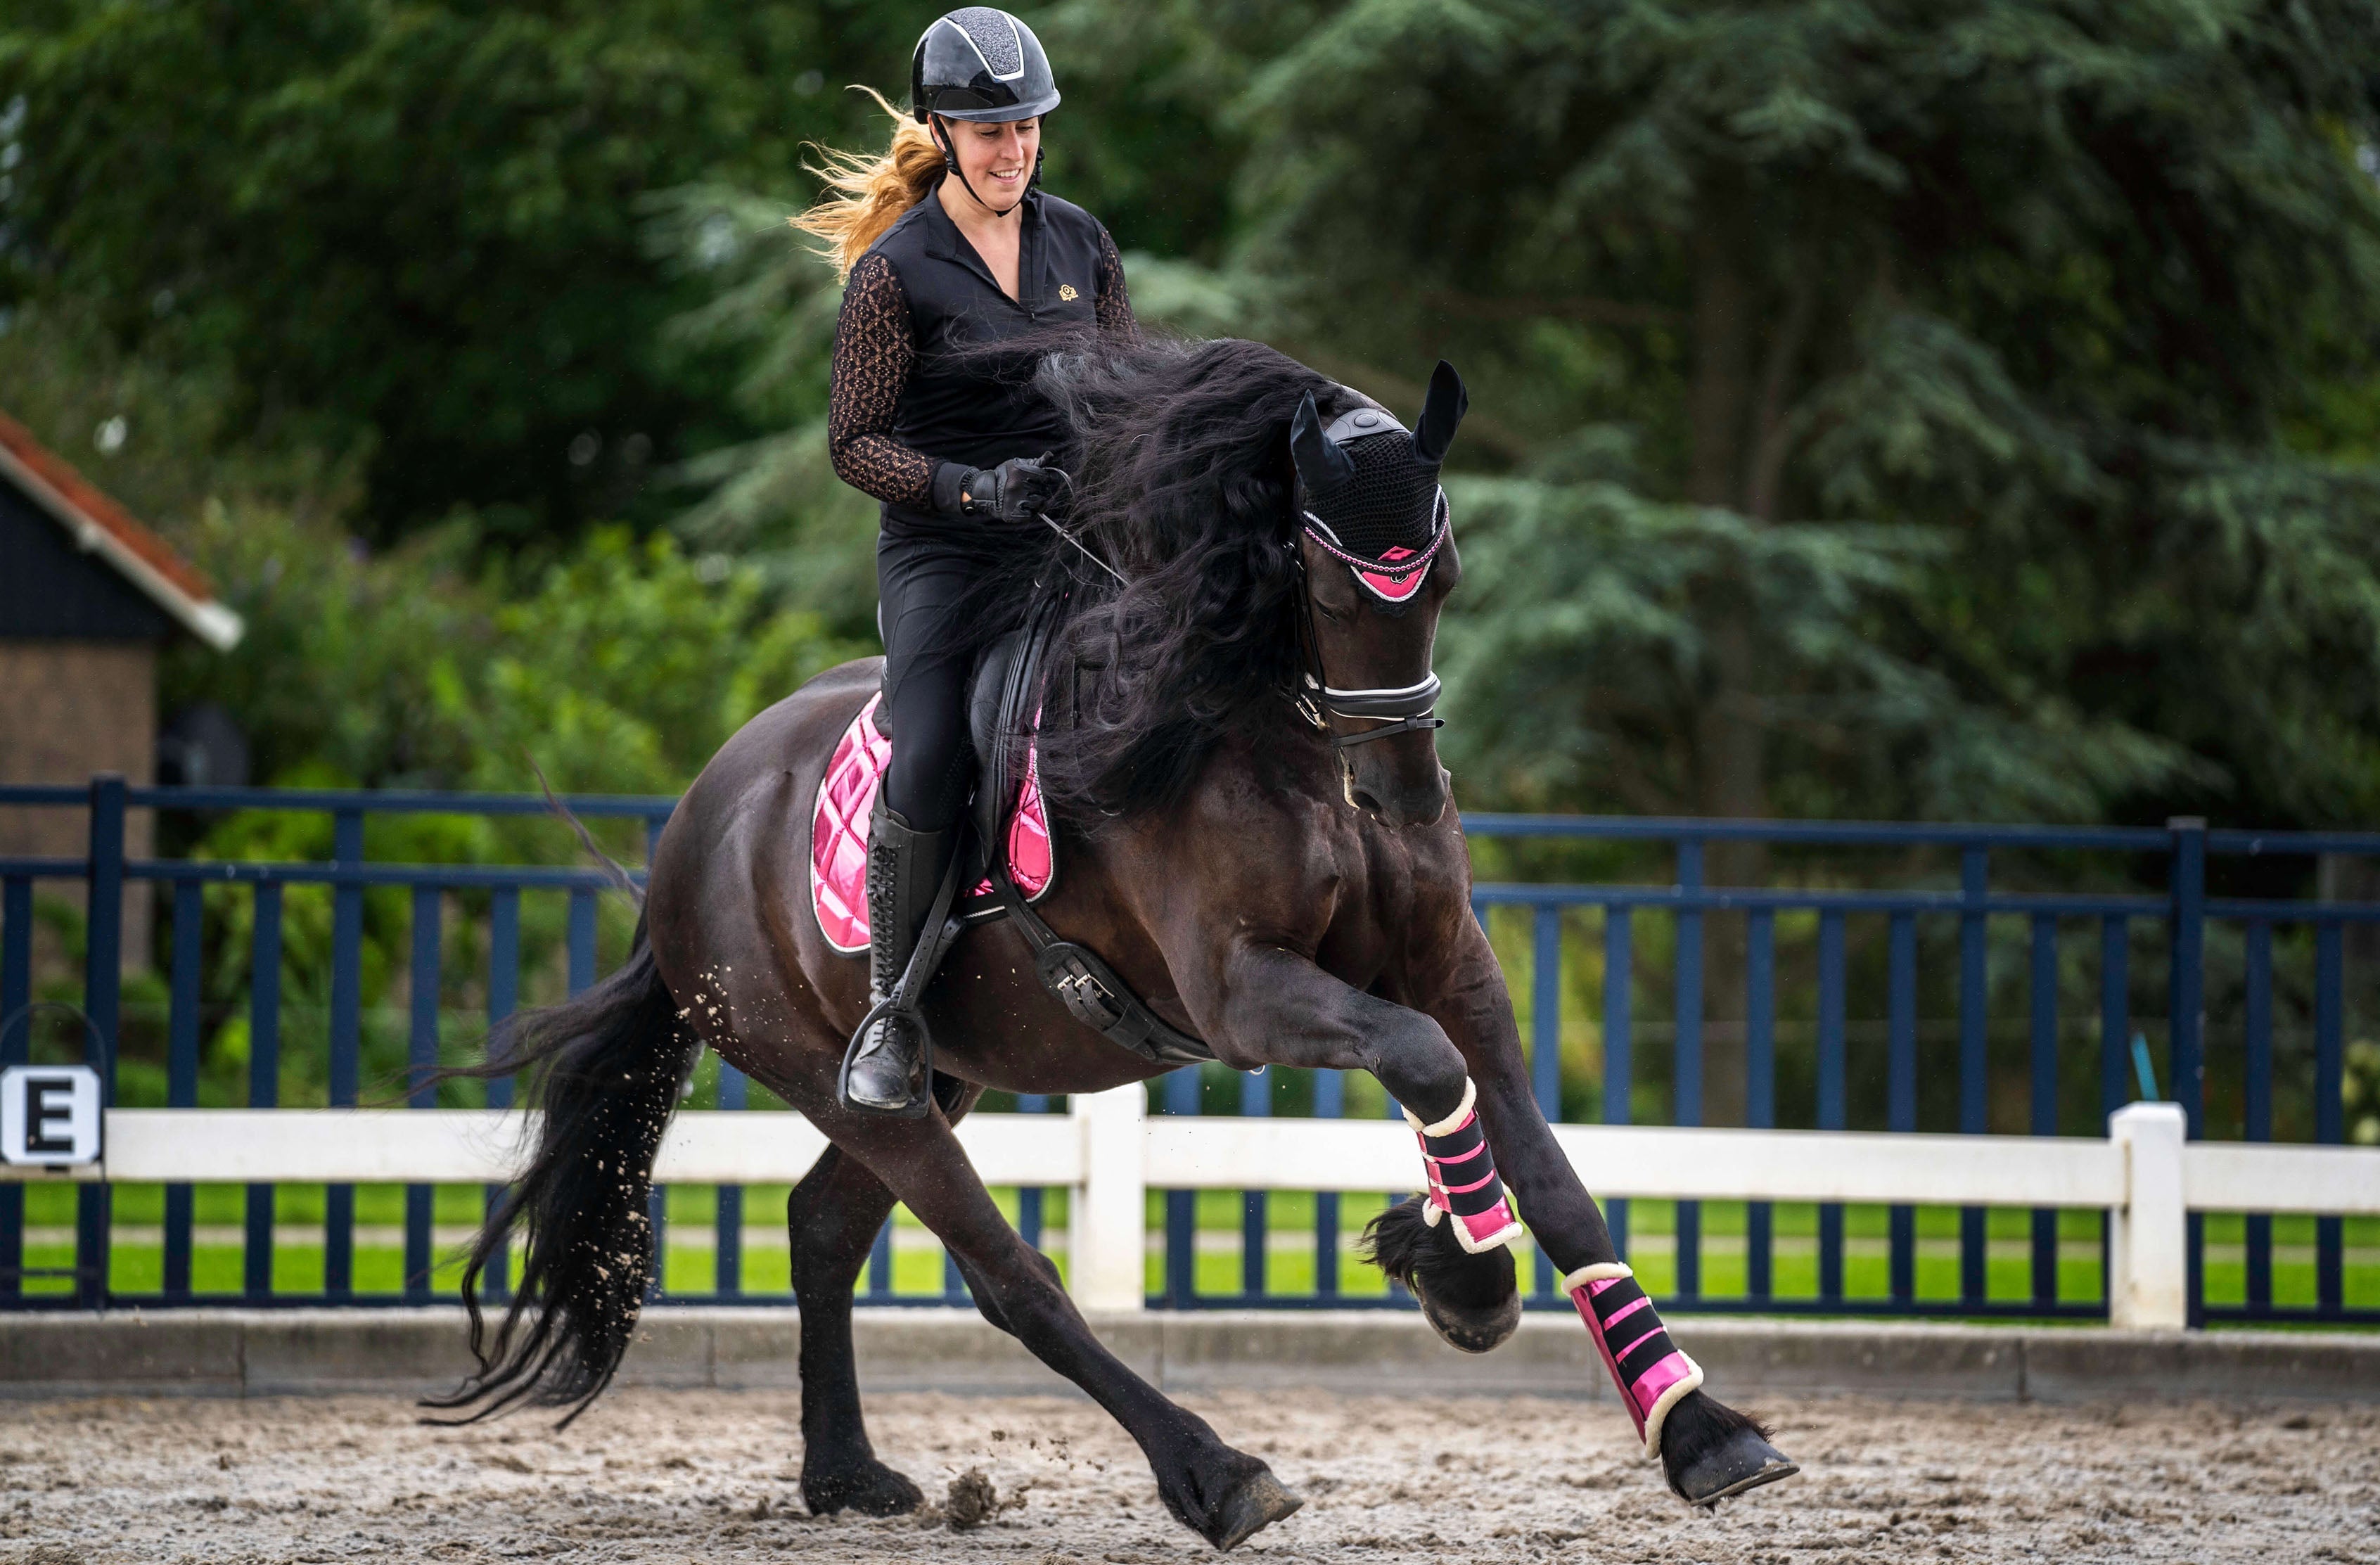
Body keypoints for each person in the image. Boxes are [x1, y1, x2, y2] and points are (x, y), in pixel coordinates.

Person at [795, 7, 1135, 1116]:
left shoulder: (1083, 243)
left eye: (1028, 126)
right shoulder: (895, 274)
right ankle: (895, 1007)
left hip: (1073, 541)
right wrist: (971, 487)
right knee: (935, 741)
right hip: (946, 553)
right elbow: (854, 443)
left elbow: (1127, 395)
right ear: (942, 130)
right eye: (990, 132)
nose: (1014, 149)